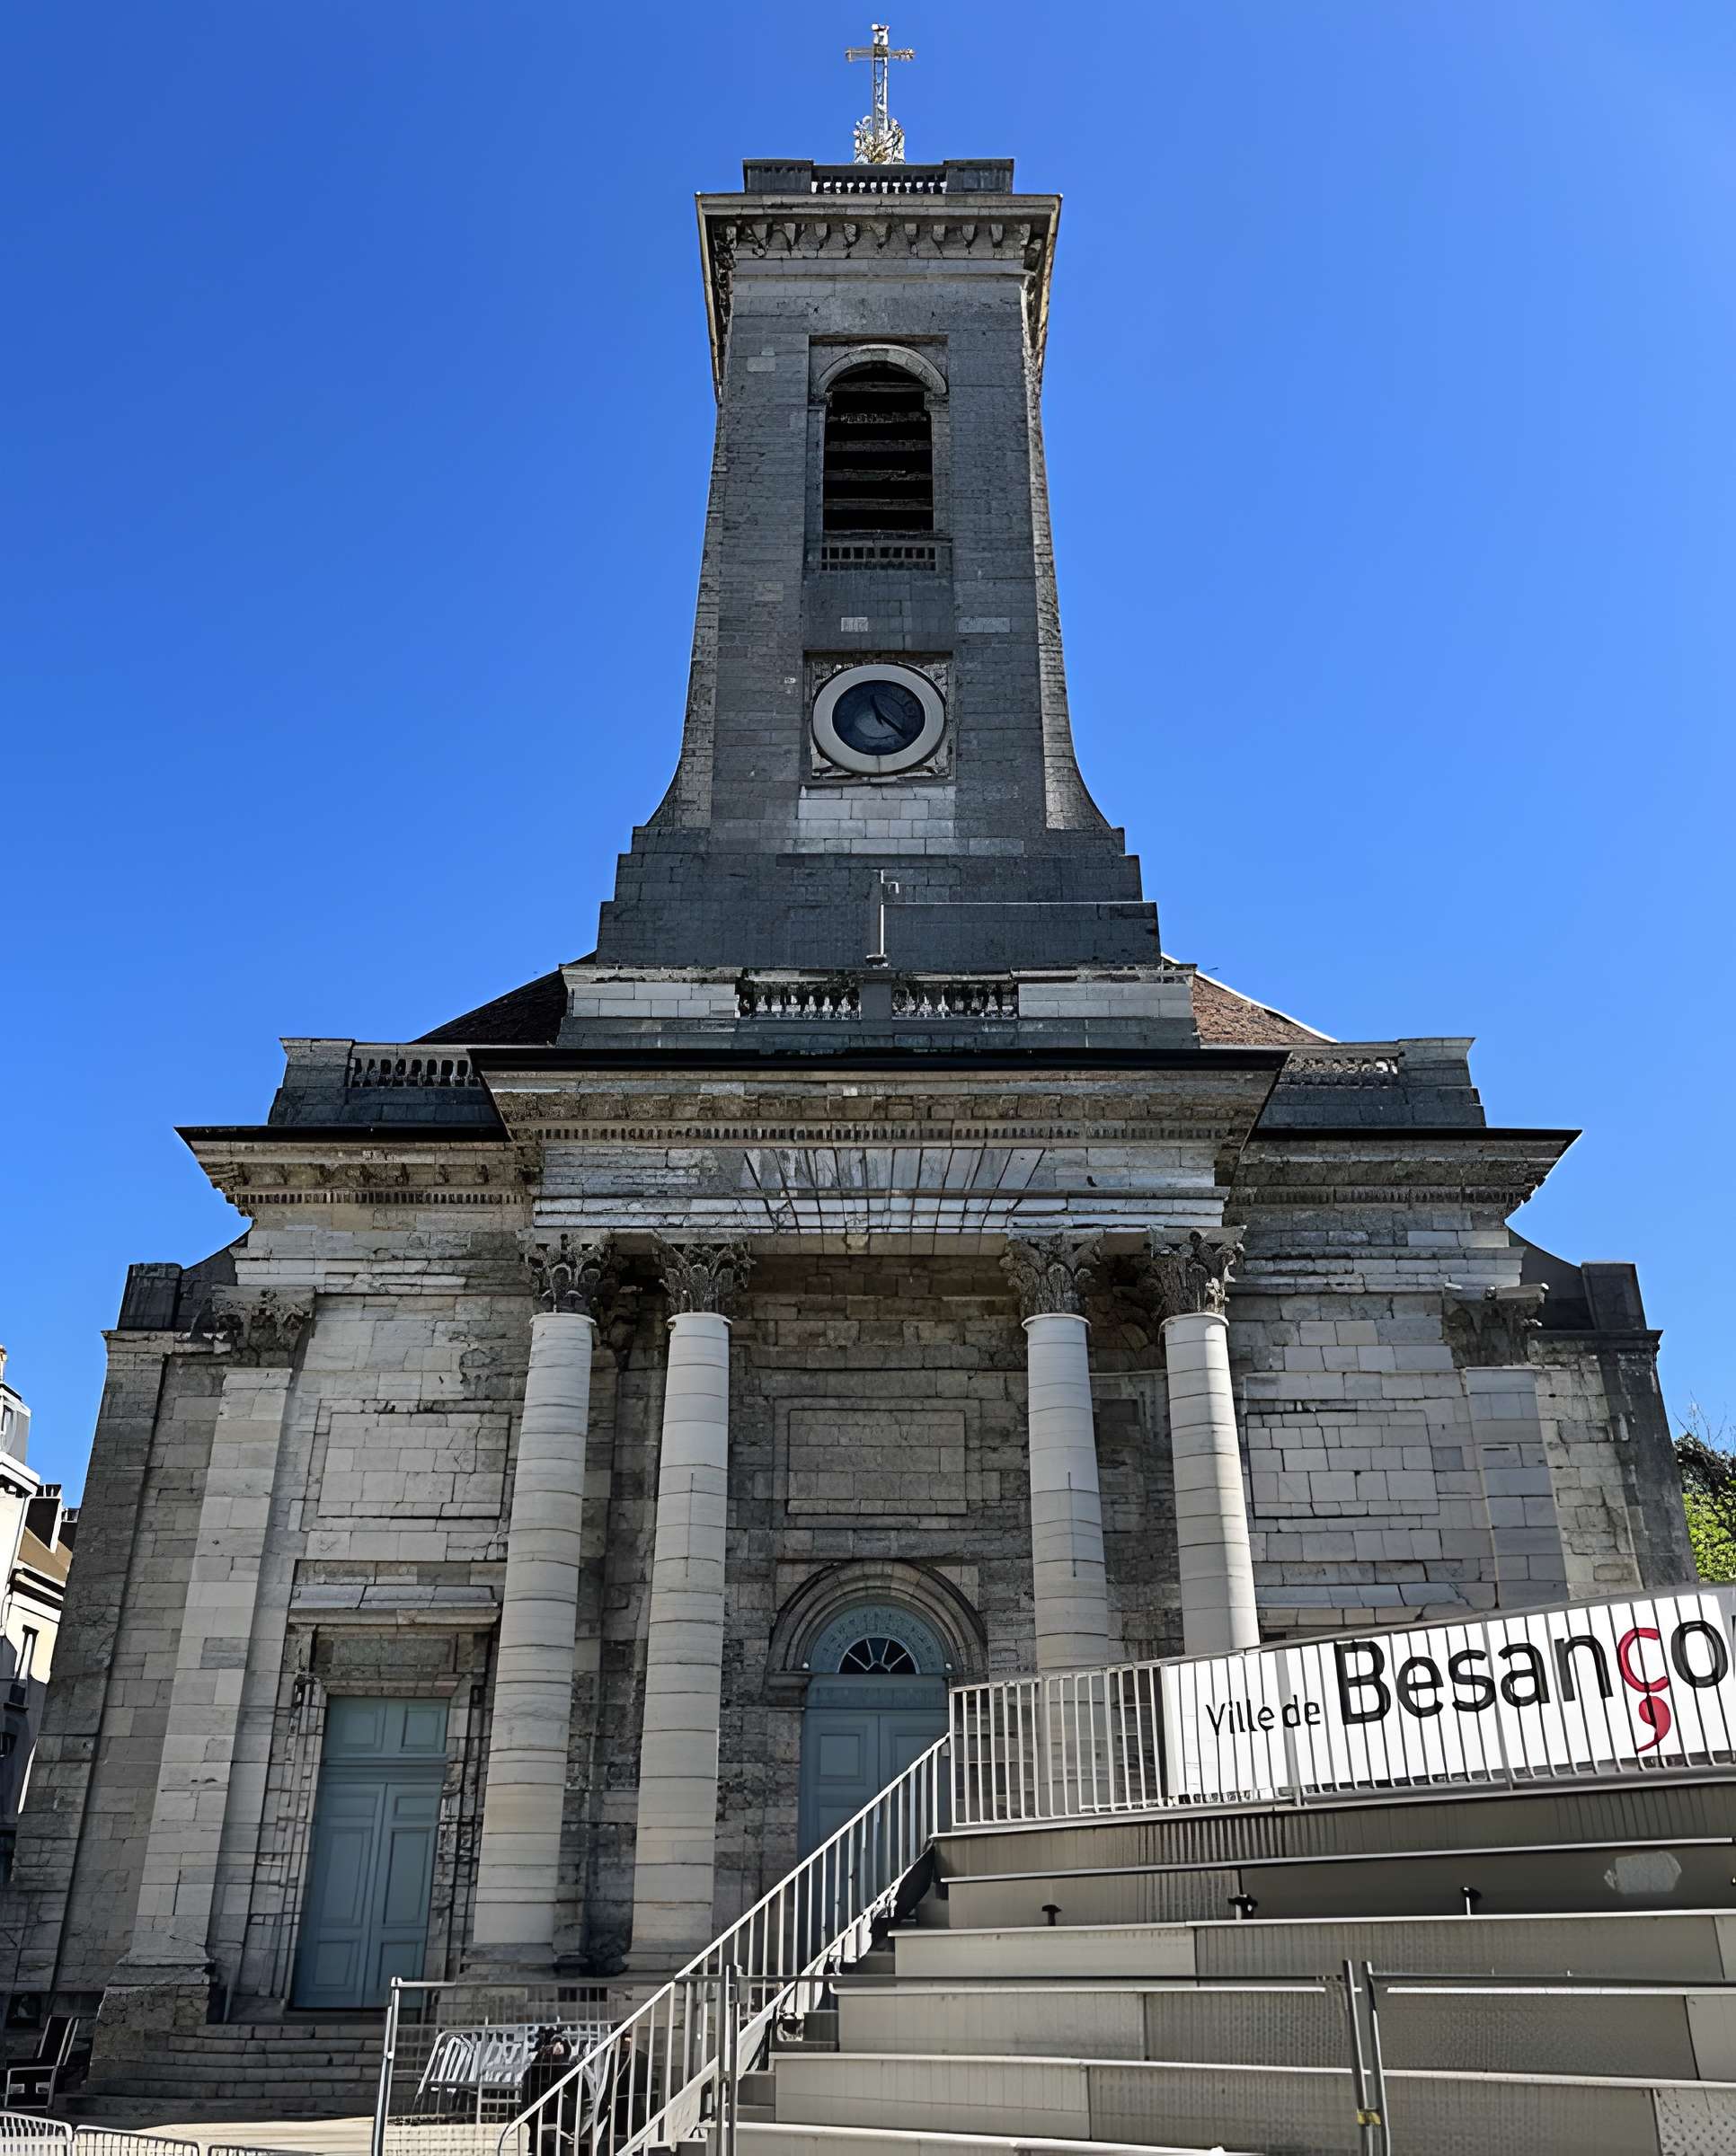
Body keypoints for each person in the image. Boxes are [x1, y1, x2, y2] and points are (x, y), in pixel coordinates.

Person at [518, 2027, 579, 2156]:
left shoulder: (555, 2067)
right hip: (546, 2113)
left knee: (548, 2142)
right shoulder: (545, 2065)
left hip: (550, 2114)